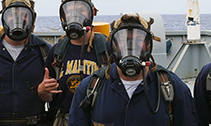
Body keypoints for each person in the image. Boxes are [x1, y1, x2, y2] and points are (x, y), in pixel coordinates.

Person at [68, 13, 198, 126]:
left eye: (139, 39)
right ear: (114, 45)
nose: (131, 45)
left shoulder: (173, 88)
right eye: (124, 39)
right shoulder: (90, 88)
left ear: (148, 45)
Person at [0, 0, 51, 126]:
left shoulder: (44, 50)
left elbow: (54, 97)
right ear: (4, 18)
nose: (18, 19)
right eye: (12, 14)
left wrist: (44, 92)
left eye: (24, 14)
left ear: (32, 19)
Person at [39, 0, 108, 126]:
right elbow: (49, 96)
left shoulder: (107, 48)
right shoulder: (57, 51)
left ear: (91, 13)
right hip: (66, 119)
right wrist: (42, 91)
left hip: (99, 120)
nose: (75, 14)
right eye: (69, 10)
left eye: (81, 9)